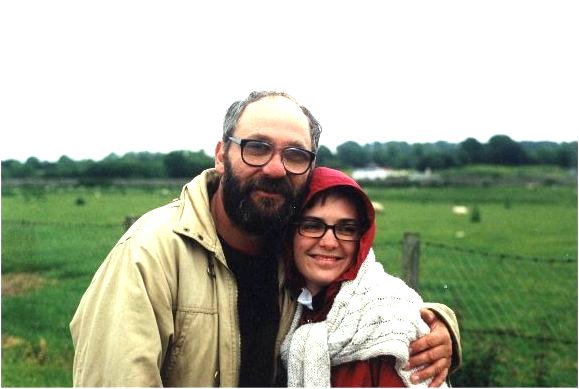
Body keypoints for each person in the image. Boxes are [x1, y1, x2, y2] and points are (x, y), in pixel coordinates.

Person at [69, 91, 460, 387]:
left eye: (294, 154)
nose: (275, 168)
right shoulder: (151, 253)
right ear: (222, 155)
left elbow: (363, 302)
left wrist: (435, 325)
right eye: (257, 147)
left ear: (309, 168)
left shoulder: (293, 247)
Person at [280, 167, 456, 387]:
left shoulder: (394, 321)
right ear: (289, 234)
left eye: (347, 229)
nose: (329, 242)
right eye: (312, 225)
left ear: (362, 238)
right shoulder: (281, 304)